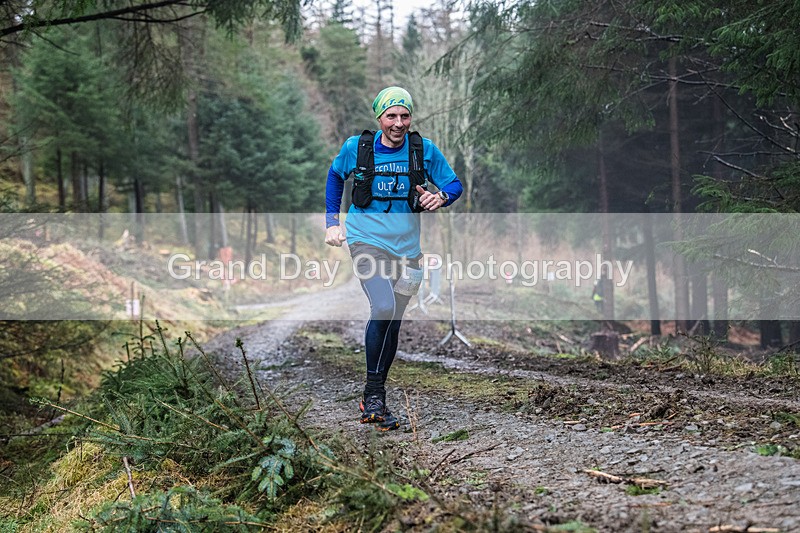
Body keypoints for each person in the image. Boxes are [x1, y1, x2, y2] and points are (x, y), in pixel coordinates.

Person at [324, 86, 463, 430]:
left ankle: (375, 392)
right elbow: (334, 177)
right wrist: (332, 222)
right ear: (379, 118)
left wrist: (441, 197)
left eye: (404, 116)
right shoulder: (358, 148)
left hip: (407, 251)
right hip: (365, 239)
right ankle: (374, 395)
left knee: (395, 321)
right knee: (383, 307)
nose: (399, 123)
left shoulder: (423, 151)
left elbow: (454, 184)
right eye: (391, 116)